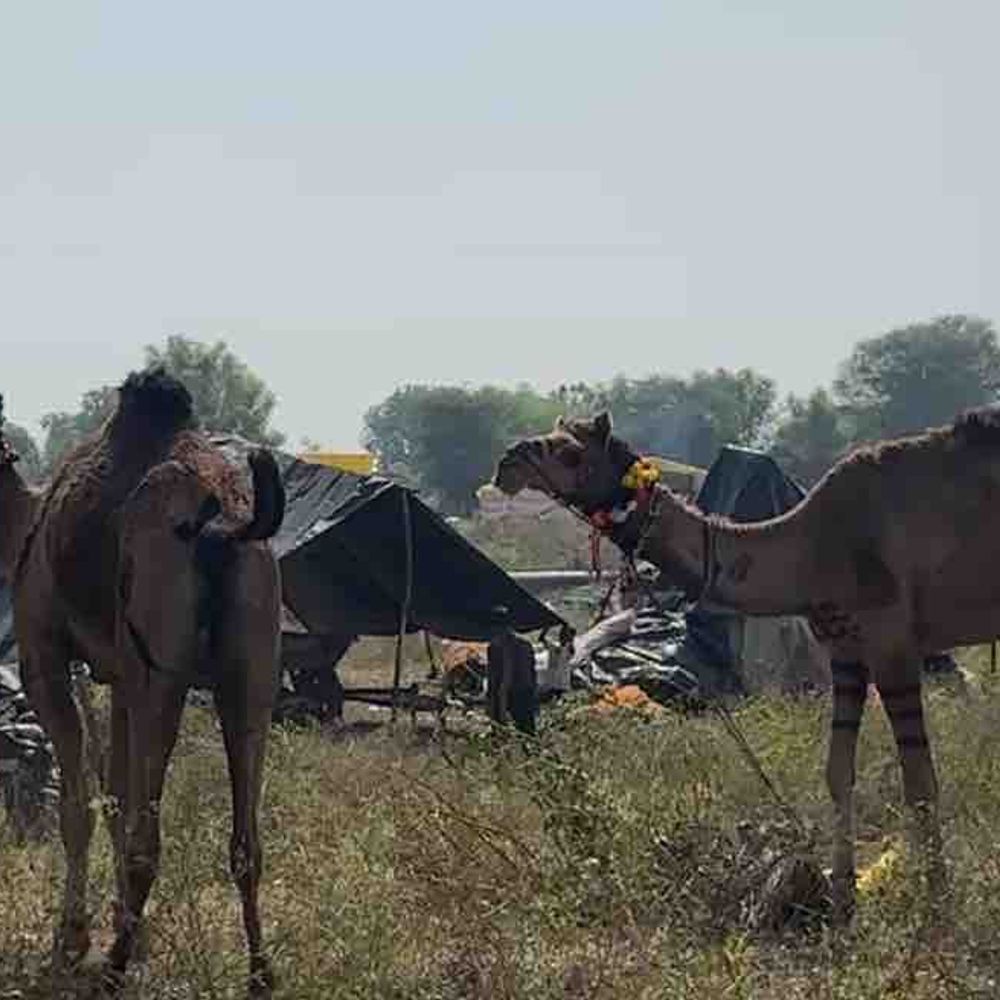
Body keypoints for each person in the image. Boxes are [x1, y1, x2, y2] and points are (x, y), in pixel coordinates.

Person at [486, 605, 538, 735]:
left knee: (503, 734)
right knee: (527, 731)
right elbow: (533, 675)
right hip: (525, 694)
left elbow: (502, 678)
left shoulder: (497, 647)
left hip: (508, 695)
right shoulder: (526, 645)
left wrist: (500, 707)